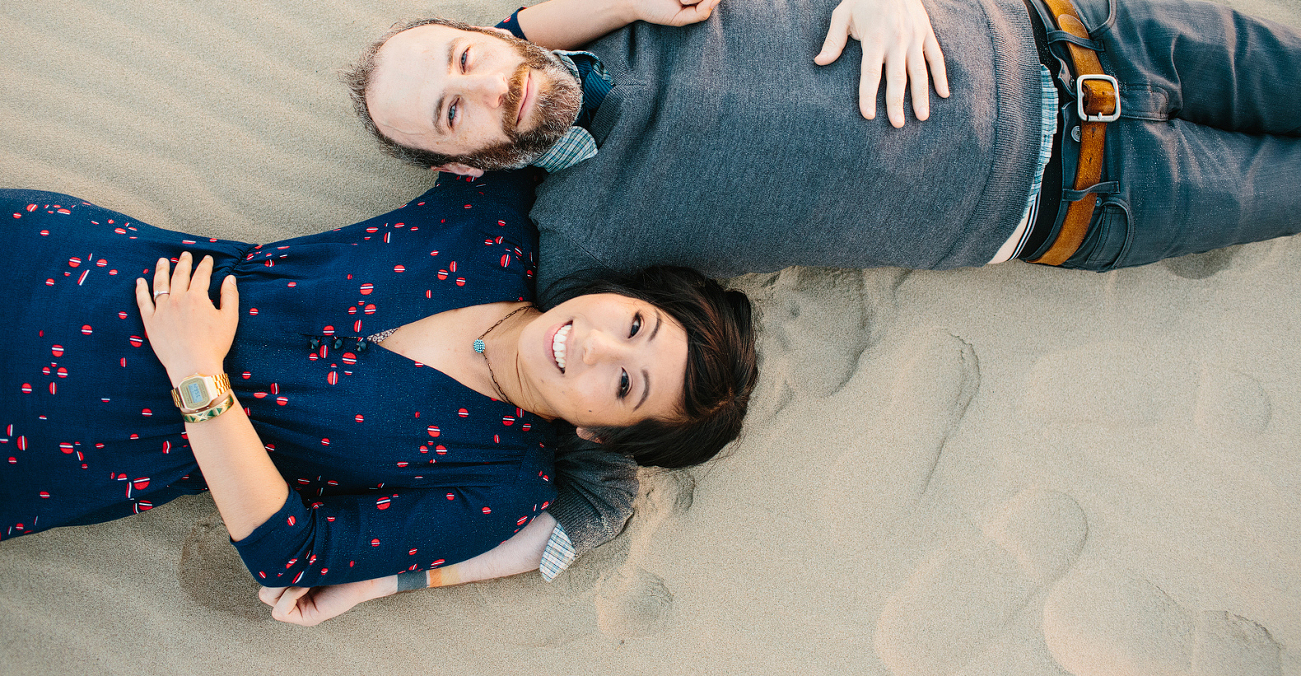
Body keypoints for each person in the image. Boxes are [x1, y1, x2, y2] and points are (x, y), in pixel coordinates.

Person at [348, 0, 1301, 299]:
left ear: (490, 34)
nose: (484, 92)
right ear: (460, 166)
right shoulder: (580, 242)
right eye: (449, 113)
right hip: (1101, 203)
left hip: (1095, 35)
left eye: (463, 59)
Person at [0, 171, 757, 603]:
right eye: (631, 322)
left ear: (600, 434)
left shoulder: (500, 485)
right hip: (53, 255)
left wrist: (198, 376)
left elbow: (292, 554)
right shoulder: (494, 222)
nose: (591, 343)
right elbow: (510, 65)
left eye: (623, 383)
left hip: (52, 438)